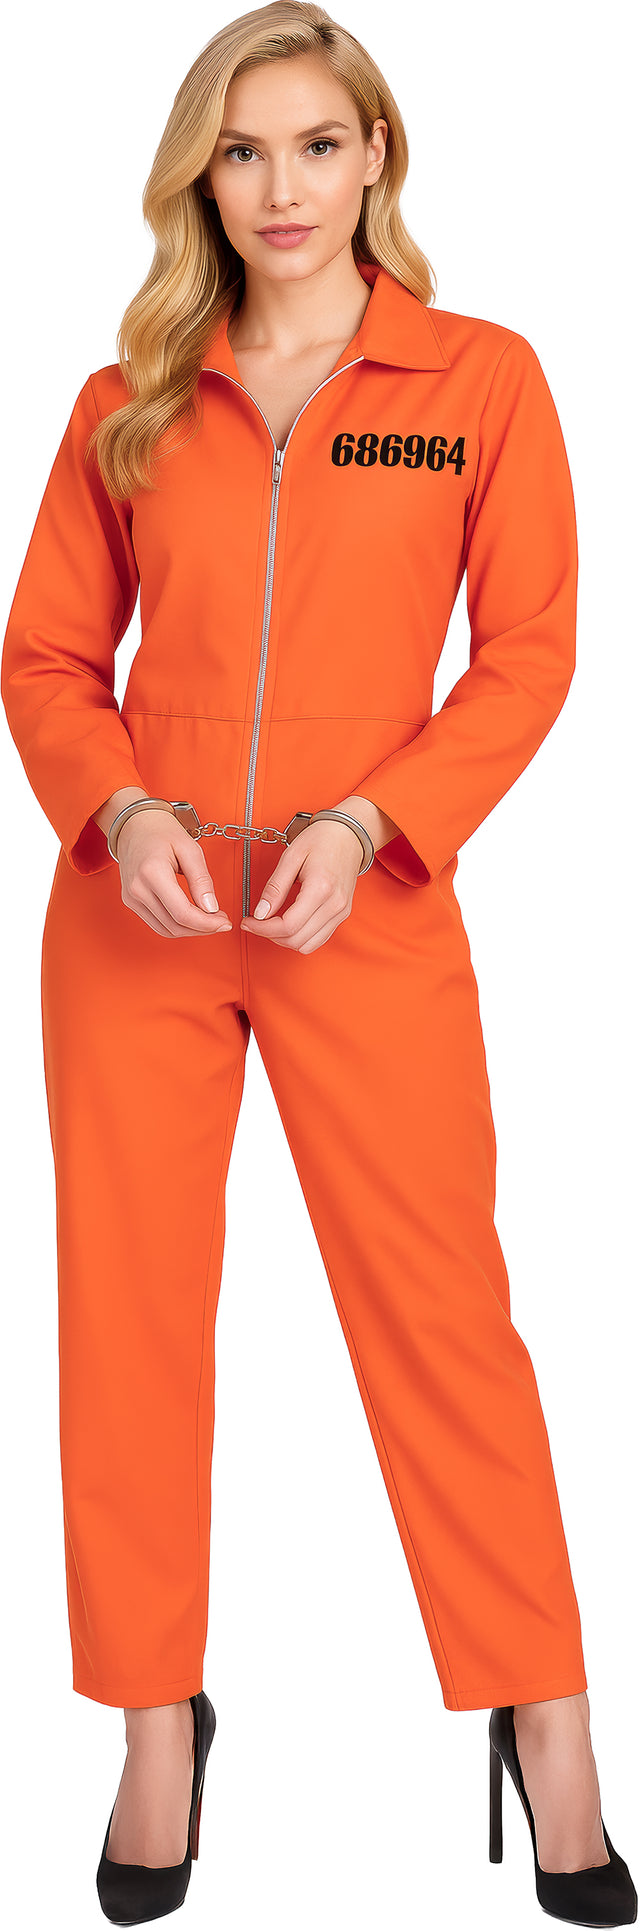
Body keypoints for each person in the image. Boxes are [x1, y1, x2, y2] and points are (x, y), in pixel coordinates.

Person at [2, 4, 636, 1926]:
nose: (281, 187)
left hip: (368, 904)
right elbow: (49, 658)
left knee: (443, 1315)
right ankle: (153, 1723)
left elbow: (528, 653)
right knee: (127, 1323)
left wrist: (371, 825)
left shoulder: (479, 380)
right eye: (242, 149)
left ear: (377, 157)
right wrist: (117, 811)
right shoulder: (129, 392)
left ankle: (546, 1716)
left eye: (316, 144)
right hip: (141, 916)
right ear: (202, 175)